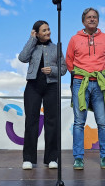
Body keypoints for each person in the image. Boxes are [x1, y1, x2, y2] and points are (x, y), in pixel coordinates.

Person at [66, 8, 105, 170]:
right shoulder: (74, 39)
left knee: (102, 122)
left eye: (94, 17)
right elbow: (69, 61)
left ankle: (104, 157)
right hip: (80, 82)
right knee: (78, 122)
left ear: (98, 20)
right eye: (89, 17)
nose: (92, 19)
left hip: (99, 83)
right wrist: (79, 74)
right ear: (83, 21)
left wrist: (100, 75)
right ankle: (78, 158)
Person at [18, 20, 67, 170]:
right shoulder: (32, 46)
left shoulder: (56, 47)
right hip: (33, 86)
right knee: (31, 121)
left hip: (51, 87)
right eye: (44, 30)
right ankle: (28, 159)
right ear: (37, 33)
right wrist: (32, 39)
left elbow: (64, 68)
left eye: (48, 29)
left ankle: (52, 158)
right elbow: (22, 57)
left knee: (52, 122)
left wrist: (52, 69)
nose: (48, 32)